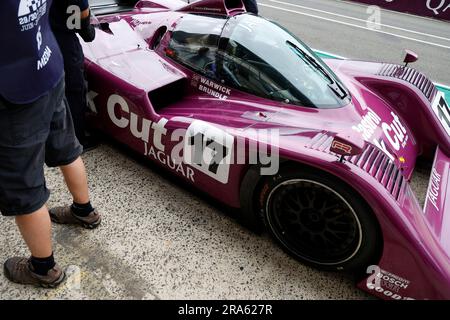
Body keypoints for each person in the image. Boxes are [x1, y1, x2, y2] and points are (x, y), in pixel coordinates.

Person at [0, 0, 101, 288]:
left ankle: (43, 268)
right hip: (47, 65)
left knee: (24, 189)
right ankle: (84, 210)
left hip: (14, 92)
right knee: (66, 148)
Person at [50, 0, 97, 150]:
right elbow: (79, 16)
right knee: (74, 90)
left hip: (41, 37)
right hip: (62, 40)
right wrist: (88, 31)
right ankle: (77, 140)